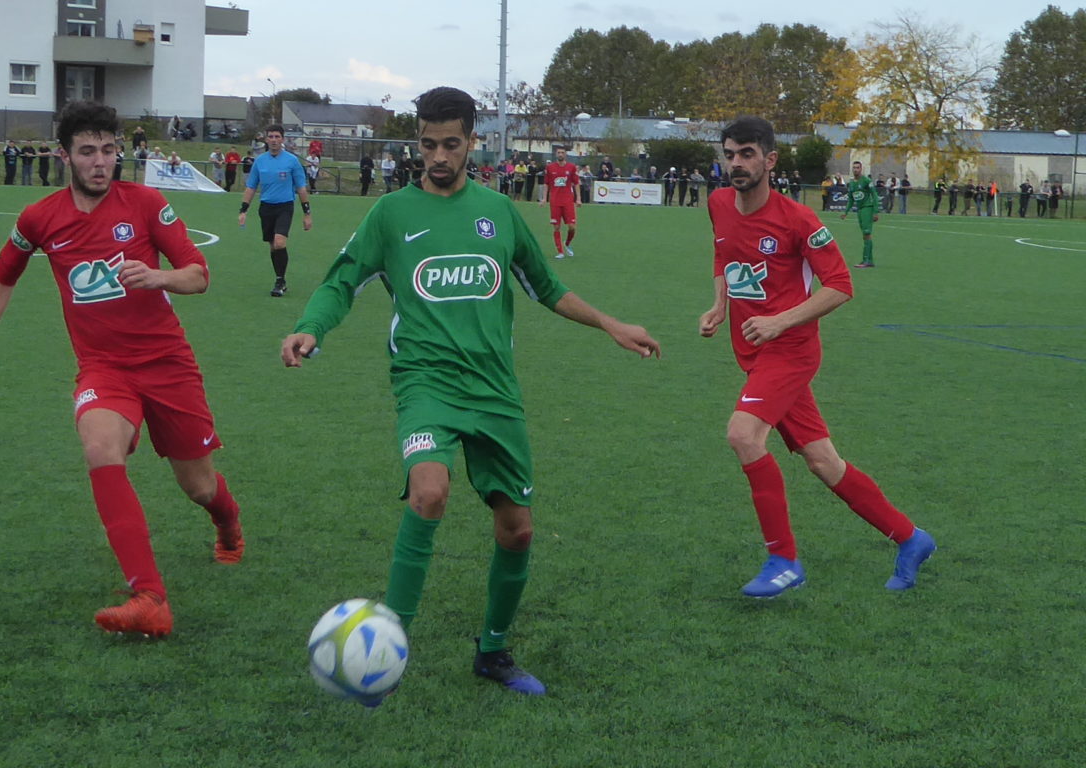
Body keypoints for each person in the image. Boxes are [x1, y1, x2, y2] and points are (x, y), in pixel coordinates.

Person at [280, 86, 660, 697]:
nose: (437, 155)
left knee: (518, 529)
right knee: (429, 492)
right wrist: (310, 328)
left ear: (472, 142)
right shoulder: (392, 213)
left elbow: (546, 286)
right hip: (425, 381)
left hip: (494, 388)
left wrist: (610, 323)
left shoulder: (498, 211)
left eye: (450, 144)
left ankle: (494, 652)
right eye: (427, 143)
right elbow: (341, 281)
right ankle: (385, 646)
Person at [0, 100, 244, 638]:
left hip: (167, 364)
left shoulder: (147, 203)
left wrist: (159, 277)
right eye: (87, 151)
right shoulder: (39, 218)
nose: (100, 161)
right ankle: (149, 596)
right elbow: (2, 277)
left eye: (108, 150)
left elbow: (198, 274)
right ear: (65, 156)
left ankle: (227, 522)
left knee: (199, 487)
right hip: (103, 368)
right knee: (99, 446)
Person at [698, 115, 935, 599]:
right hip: (753, 352)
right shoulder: (718, 203)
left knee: (743, 435)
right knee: (824, 462)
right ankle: (911, 539)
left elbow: (841, 286)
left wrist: (780, 321)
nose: (736, 163)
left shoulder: (798, 220)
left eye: (747, 154)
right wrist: (719, 304)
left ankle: (783, 560)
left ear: (770, 160)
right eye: (730, 154)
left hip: (791, 351)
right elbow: (724, 254)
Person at [237, 124, 312, 297]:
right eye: (271, 137)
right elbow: (251, 187)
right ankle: (280, 278)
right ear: (266, 139)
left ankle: (280, 281)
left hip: (285, 206)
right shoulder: (260, 161)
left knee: (279, 242)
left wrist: (307, 214)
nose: (274, 140)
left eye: (277, 137)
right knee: (273, 246)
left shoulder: (292, 161)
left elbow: (301, 188)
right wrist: (243, 210)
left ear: (282, 139)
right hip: (266, 208)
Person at [841, 160, 878, 268]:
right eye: (854, 168)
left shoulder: (866, 180)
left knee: (867, 233)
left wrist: (875, 212)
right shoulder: (852, 183)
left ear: (861, 169)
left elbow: (874, 195)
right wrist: (846, 212)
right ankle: (869, 260)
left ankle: (866, 260)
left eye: (858, 168)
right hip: (860, 210)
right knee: (864, 235)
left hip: (867, 208)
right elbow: (851, 199)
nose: (856, 170)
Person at [544, 145, 579, 258]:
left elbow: (576, 183)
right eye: (558, 152)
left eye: (562, 152)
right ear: (556, 154)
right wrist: (544, 198)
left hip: (568, 201)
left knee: (572, 227)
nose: (560, 154)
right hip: (555, 201)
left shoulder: (571, 167)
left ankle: (567, 243)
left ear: (565, 154)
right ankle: (560, 252)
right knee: (556, 227)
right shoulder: (550, 167)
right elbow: (546, 184)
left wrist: (578, 199)